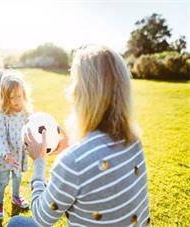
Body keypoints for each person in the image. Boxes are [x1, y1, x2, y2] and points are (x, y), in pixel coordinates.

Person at [8, 44, 150, 226]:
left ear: (84, 94)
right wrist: (74, 144)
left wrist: (38, 161)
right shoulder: (134, 142)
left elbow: (40, 217)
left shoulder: (73, 162)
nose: (70, 92)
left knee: (16, 223)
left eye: (74, 84)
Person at [0, 74, 32, 220]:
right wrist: (6, 155)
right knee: (3, 181)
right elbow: (1, 138)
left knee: (17, 177)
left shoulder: (26, 113)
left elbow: (31, 129)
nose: (16, 100)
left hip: (18, 153)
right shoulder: (2, 115)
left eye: (19, 96)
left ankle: (15, 196)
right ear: (4, 98)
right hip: (5, 155)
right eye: (11, 97)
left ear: (24, 94)